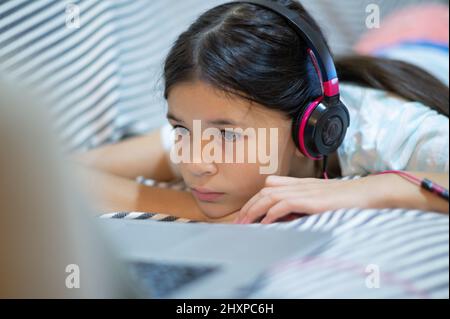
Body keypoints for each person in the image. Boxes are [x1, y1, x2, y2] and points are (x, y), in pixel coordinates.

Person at [76, 0, 449, 224]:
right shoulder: (206, 124)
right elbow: (59, 172)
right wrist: (198, 211)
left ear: (311, 127)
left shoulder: (389, 130)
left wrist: (366, 190)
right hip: (378, 55)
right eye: (181, 130)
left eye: (227, 136)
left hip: (431, 36)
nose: (194, 164)